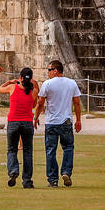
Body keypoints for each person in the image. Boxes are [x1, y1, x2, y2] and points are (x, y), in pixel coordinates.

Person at [35, 59, 83, 188]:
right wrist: (78, 120)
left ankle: (53, 179)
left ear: (56, 70)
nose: (48, 72)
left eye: (50, 70)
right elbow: (77, 103)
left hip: (51, 122)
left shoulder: (47, 84)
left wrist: (35, 117)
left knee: (51, 150)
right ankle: (66, 172)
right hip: (66, 121)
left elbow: (40, 103)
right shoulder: (71, 83)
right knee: (68, 148)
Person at [0, 67, 38, 188]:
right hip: (27, 123)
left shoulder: (13, 87)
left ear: (21, 77)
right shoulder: (33, 91)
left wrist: (11, 81)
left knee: (12, 149)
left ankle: (13, 170)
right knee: (27, 152)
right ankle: (27, 181)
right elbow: (35, 100)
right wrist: (32, 82)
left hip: (13, 122)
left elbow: (0, 89)